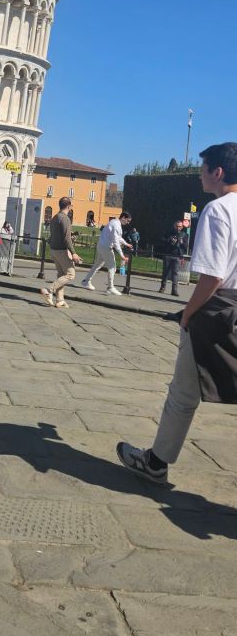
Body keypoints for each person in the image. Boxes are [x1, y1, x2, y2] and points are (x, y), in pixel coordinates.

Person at [117, 142, 237, 484]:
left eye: (203, 170)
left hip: (220, 310)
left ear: (217, 172)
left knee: (183, 392)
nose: (200, 176)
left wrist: (188, 314)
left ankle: (156, 462)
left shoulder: (218, 210)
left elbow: (212, 276)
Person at [40, 197, 83, 308]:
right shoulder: (65, 218)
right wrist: (73, 253)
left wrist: (69, 236)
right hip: (61, 251)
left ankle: (60, 300)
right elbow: (67, 239)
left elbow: (56, 235)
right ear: (69, 206)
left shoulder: (54, 218)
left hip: (53, 250)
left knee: (61, 275)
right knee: (70, 274)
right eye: (71, 206)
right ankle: (49, 290)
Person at [81, 212, 133, 295]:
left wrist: (126, 244)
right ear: (123, 217)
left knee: (97, 265)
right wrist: (122, 255)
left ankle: (86, 281)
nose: (128, 223)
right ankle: (110, 287)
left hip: (101, 245)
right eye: (127, 220)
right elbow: (116, 241)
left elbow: (118, 237)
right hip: (106, 247)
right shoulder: (116, 225)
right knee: (112, 267)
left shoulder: (114, 222)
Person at [158, 220, 188, 297]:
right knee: (165, 272)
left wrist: (182, 242)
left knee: (175, 273)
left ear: (182, 227)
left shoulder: (184, 234)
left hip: (177, 256)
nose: (178, 228)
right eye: (177, 226)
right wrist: (169, 240)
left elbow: (186, 246)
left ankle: (174, 290)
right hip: (168, 254)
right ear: (174, 226)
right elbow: (162, 240)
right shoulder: (168, 232)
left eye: (180, 226)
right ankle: (163, 287)